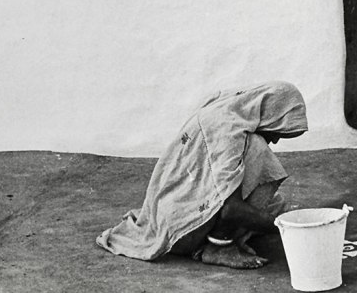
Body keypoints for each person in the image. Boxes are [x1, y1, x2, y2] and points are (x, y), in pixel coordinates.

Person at [96, 81, 307, 270]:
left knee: (276, 206)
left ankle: (219, 237)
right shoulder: (228, 129)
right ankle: (218, 246)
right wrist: (289, 228)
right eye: (279, 132)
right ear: (272, 114)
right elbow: (231, 210)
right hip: (180, 229)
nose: (276, 141)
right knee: (259, 153)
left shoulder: (230, 107)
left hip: (171, 209)